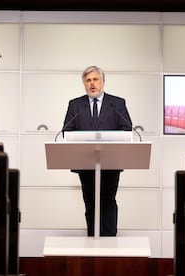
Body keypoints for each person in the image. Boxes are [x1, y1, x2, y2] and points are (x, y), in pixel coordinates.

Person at [61, 65, 133, 236]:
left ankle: (109, 239)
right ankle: (93, 237)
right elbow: (67, 131)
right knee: (90, 201)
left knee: (108, 200)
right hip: (85, 163)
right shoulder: (75, 105)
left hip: (111, 162)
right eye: (88, 80)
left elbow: (127, 129)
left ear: (103, 82)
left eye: (95, 79)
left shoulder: (117, 103)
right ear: (84, 84)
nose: (92, 84)